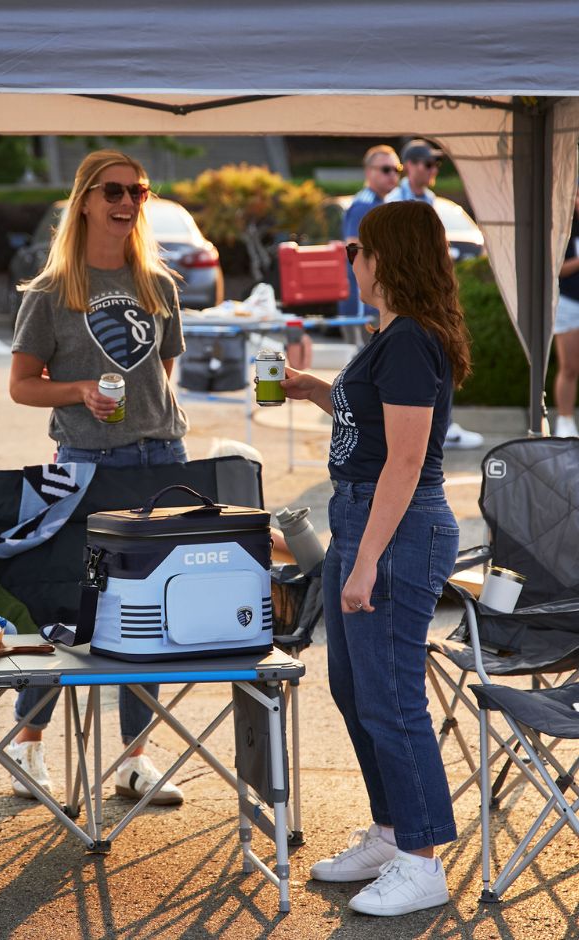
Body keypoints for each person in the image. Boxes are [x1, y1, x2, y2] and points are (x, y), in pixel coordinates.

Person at [282, 200, 469, 917]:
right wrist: (315, 389)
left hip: (393, 524)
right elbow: (374, 421)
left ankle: (422, 861)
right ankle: (393, 834)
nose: (350, 259)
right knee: (356, 690)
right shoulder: (391, 336)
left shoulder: (412, 339)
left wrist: (365, 564)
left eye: (357, 249)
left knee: (392, 700)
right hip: (361, 516)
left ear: (387, 256)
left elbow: (408, 458)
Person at [7, 149, 189, 806]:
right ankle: (27, 742)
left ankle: (135, 759)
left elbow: (163, 376)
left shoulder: (159, 286)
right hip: (83, 468)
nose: (126, 201)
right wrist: (81, 391)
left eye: (138, 191)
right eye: (112, 190)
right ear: (84, 199)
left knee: (153, 615)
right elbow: (22, 387)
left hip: (161, 462)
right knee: (69, 613)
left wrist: (139, 416)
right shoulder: (53, 291)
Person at [388, 139, 484, 451]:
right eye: (428, 164)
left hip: (430, 296)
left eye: (436, 165)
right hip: (404, 298)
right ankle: (411, 434)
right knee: (407, 366)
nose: (433, 170)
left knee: (439, 360)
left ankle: (439, 426)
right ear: (411, 166)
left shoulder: (429, 199)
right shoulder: (394, 200)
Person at [339, 145, 402, 324]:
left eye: (397, 169)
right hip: (363, 303)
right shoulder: (364, 206)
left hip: (375, 298)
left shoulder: (381, 203)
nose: (392, 175)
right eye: (385, 169)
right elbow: (354, 251)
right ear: (368, 172)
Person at [553, 185, 579, 437]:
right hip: (570, 302)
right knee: (569, 365)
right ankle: (565, 419)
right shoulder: (565, 227)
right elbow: (556, 268)